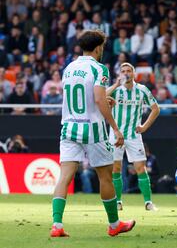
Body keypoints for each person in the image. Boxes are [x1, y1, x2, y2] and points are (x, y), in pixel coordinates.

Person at [51, 29, 135, 238]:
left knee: (64, 177)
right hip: (93, 129)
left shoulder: (69, 68)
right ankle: (114, 224)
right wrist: (115, 128)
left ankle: (57, 225)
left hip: (69, 127)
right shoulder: (99, 69)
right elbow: (97, 99)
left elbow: (82, 97)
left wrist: (103, 99)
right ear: (99, 48)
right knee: (105, 177)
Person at [106, 62, 160, 211]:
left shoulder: (142, 90)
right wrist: (116, 84)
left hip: (134, 135)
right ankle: (118, 202)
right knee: (116, 168)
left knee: (140, 168)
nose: (126, 73)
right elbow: (100, 97)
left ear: (134, 73)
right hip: (116, 134)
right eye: (123, 71)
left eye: (128, 70)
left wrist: (144, 126)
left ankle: (148, 202)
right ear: (119, 74)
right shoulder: (116, 90)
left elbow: (156, 109)